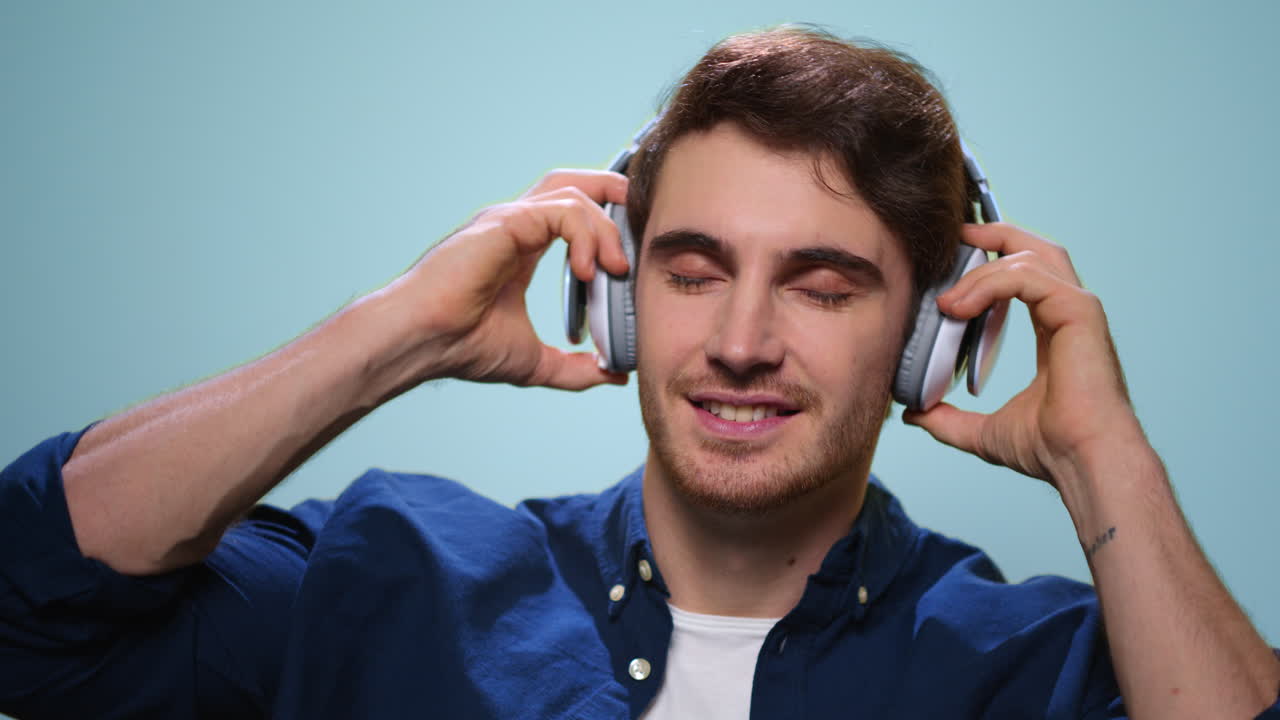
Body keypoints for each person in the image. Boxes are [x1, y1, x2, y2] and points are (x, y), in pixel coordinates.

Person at [2, 25, 1277, 720]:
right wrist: (396, 331)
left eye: (822, 286)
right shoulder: (386, 577)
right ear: (612, 290)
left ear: (937, 334)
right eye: (688, 269)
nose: (738, 339)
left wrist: (1106, 455)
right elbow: (28, 614)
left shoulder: (1037, 666)